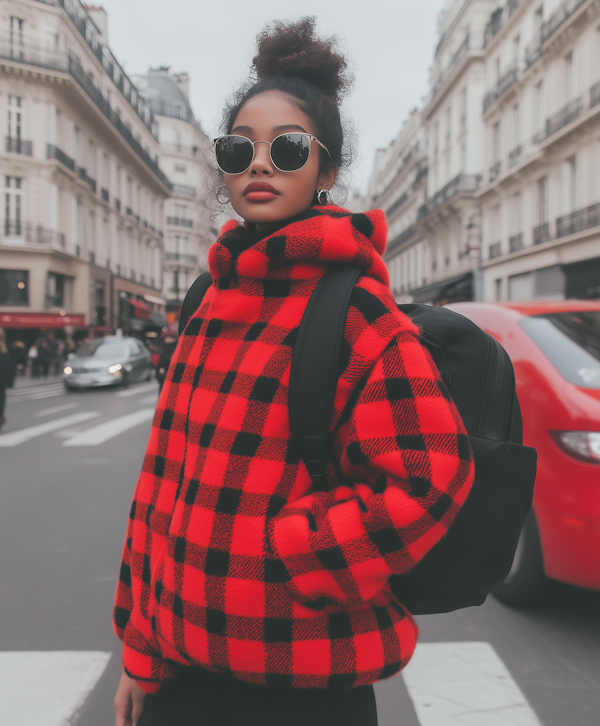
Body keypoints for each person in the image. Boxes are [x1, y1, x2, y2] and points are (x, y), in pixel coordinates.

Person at [113, 18, 475, 726]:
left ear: (327, 171)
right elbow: (161, 488)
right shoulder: (207, 299)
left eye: (286, 148)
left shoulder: (355, 310)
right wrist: (139, 652)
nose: (259, 163)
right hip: (182, 672)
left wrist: (293, 555)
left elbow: (431, 478)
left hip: (304, 688)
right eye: (238, 148)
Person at [0, 328, 16, 428]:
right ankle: (1, 417)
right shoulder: (7, 349)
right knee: (1, 400)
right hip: (2, 381)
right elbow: (11, 366)